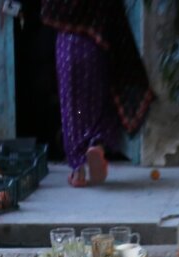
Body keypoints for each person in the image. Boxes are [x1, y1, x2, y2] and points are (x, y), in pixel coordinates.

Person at [42, 0, 155, 187]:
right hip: (95, 46)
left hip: (66, 47)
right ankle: (96, 143)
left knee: (73, 110)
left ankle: (78, 171)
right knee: (100, 104)